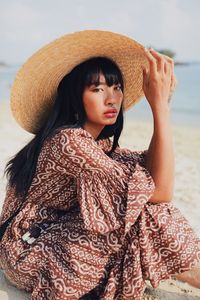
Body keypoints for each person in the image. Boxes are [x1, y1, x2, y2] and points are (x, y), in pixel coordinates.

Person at [0, 30, 199, 300]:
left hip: (60, 232)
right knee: (147, 212)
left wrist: (165, 105)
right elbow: (160, 193)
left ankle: (190, 270)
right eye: (97, 89)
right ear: (74, 97)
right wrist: (159, 108)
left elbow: (150, 172)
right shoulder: (68, 142)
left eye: (116, 87)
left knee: (137, 205)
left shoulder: (100, 144)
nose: (112, 98)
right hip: (28, 247)